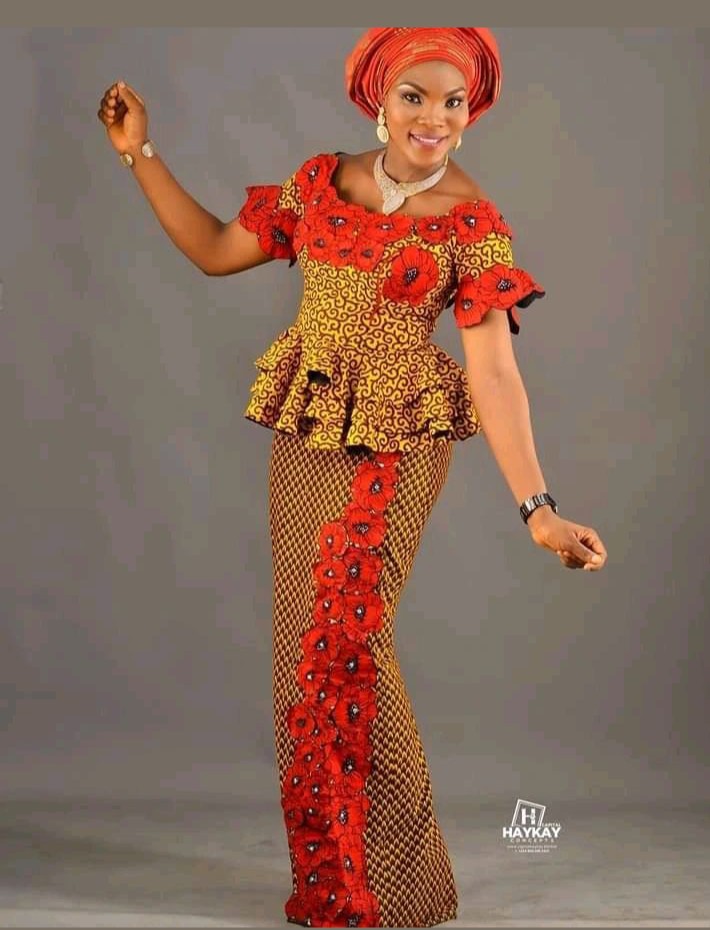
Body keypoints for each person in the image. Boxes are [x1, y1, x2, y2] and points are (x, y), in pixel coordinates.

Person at [97, 26, 608, 928]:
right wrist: (139, 152)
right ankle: (333, 884)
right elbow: (214, 249)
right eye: (416, 95)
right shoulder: (318, 184)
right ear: (379, 99)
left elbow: (494, 374)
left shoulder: (472, 222)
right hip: (308, 432)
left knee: (349, 641)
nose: (435, 117)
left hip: (398, 444)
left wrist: (539, 509)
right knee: (304, 654)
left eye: (454, 101)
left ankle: (399, 892)